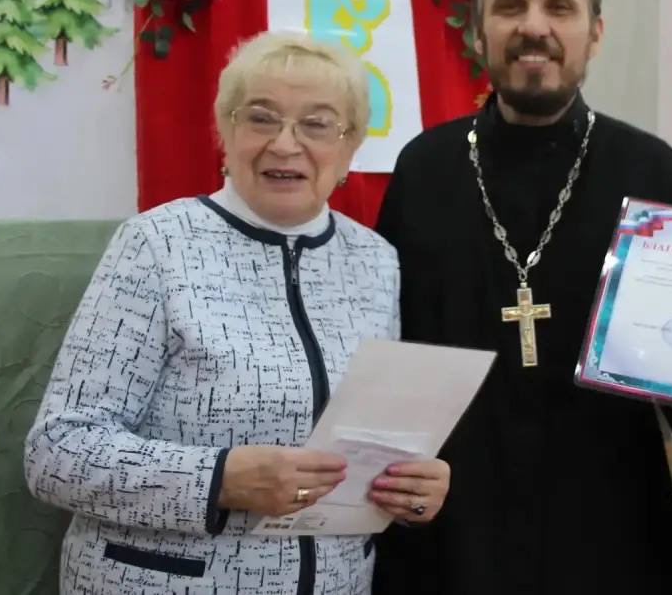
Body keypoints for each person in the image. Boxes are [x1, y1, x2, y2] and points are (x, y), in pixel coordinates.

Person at [372, 0, 672, 595]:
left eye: (559, 6)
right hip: (454, 536)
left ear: (594, 33)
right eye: (509, 5)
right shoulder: (424, 171)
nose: (533, 26)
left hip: (611, 532)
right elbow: (386, 355)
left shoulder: (651, 173)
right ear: (478, 32)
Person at [25, 32, 450, 594]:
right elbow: (58, 452)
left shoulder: (375, 260)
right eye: (261, 118)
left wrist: (411, 485)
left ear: (350, 147)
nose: (285, 144)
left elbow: (371, 441)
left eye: (317, 124)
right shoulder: (158, 244)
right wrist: (218, 479)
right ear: (225, 133)